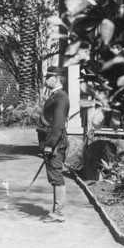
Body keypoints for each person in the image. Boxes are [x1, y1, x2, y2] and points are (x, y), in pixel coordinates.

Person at [37, 66, 69, 223]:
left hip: (55, 143)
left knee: (56, 176)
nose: (45, 80)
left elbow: (58, 124)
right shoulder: (55, 96)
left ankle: (59, 213)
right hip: (51, 142)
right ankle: (56, 210)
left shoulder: (61, 97)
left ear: (56, 78)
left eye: (47, 77)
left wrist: (50, 144)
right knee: (54, 175)